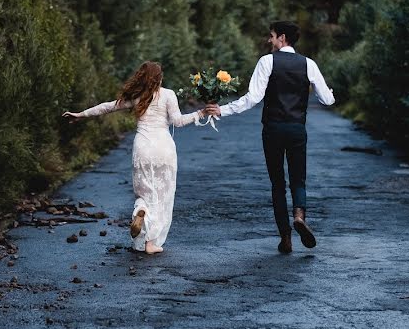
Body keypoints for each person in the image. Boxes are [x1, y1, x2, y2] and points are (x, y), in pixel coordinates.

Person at [205, 21, 334, 253]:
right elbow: (327, 100)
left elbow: (252, 98)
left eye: (272, 36)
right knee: (298, 179)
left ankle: (285, 237)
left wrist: (223, 109)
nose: (269, 40)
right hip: (296, 129)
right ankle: (299, 216)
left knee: (277, 183)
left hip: (273, 129)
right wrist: (329, 93)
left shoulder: (267, 62)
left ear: (282, 38)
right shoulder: (309, 64)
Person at [63, 62, 206, 254]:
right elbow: (178, 122)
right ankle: (151, 244)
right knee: (163, 196)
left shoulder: (137, 97)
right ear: (159, 78)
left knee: (145, 194)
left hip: (143, 148)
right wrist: (201, 112)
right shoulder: (168, 95)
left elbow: (108, 107)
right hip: (163, 148)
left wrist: (81, 114)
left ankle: (143, 213)